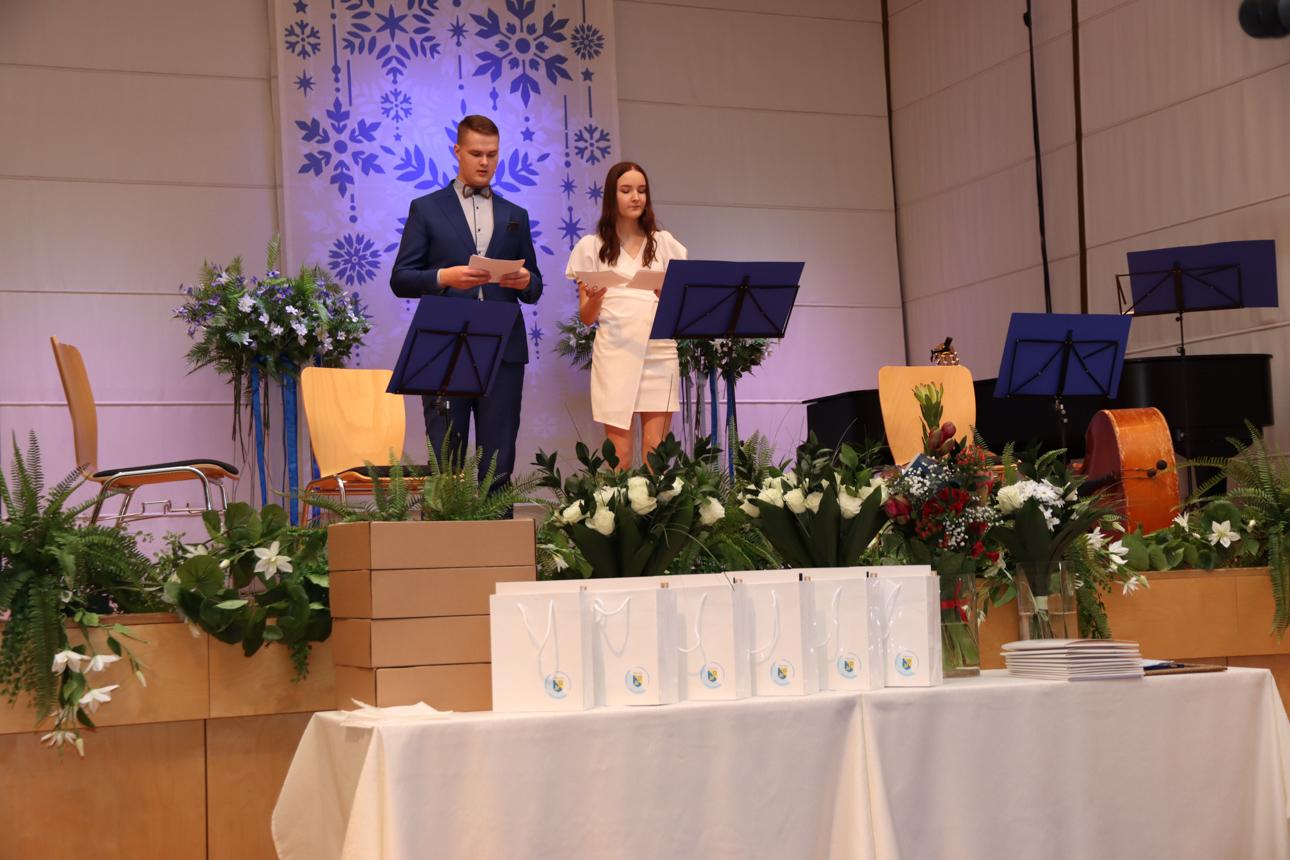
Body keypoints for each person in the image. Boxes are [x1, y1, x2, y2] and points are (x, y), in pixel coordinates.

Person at [390, 115, 542, 490]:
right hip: (444, 345)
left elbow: (535, 287)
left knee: (498, 464)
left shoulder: (515, 214)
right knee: (447, 464)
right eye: (476, 153)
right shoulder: (426, 208)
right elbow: (401, 278)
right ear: (457, 151)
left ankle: (500, 529)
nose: (485, 162)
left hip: (503, 347)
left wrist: (525, 280)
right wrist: (445, 277)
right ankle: (445, 530)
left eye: (492, 154)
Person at [565, 161, 686, 467]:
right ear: (611, 195)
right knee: (619, 457)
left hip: (658, 351)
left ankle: (656, 501)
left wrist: (666, 297)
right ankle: (620, 501)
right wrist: (595, 298)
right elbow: (587, 317)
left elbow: (680, 307)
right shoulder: (591, 247)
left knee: (656, 455)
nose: (636, 197)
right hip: (615, 351)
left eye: (642, 190)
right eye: (626, 190)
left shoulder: (664, 243)